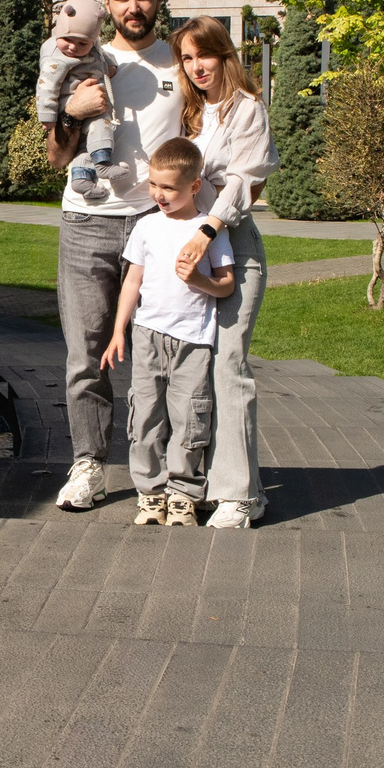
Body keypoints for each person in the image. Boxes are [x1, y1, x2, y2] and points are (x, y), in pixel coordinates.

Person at [48, 0, 183, 511]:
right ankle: (89, 466)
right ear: (107, 4)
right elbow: (58, 157)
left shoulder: (181, 59)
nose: (134, 7)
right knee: (86, 354)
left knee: (172, 352)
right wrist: (73, 112)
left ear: (157, 0)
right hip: (87, 222)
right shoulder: (77, 56)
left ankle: (176, 470)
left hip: (160, 224)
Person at [171, 17, 277, 527]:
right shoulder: (191, 113)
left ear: (224, 54)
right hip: (193, 250)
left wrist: (206, 232)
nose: (196, 68)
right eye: (187, 59)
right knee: (193, 370)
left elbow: (243, 183)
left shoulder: (247, 110)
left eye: (204, 56)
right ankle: (202, 483)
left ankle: (238, 495)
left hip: (233, 246)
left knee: (229, 367)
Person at [101, 139, 236, 526]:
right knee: (145, 417)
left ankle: (183, 494)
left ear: (194, 187)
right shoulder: (146, 227)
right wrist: (118, 331)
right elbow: (132, 282)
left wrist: (199, 280)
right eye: (155, 186)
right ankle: (150, 492)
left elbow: (225, 284)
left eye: (170, 188)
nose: (160, 194)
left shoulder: (208, 231)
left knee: (189, 419)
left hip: (193, 341)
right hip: (147, 336)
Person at [34, 0, 121, 194]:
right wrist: (47, 115)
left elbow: (98, 53)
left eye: (82, 43)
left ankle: (81, 177)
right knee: (102, 120)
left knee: (84, 146)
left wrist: (110, 65)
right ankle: (103, 161)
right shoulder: (57, 58)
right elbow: (46, 86)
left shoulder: (92, 46)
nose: (73, 47)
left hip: (88, 96)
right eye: (67, 40)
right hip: (69, 99)